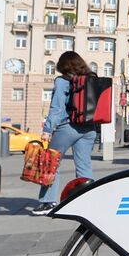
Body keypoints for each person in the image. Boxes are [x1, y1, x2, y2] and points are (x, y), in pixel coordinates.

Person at [28, 51, 98, 215]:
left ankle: (48, 202)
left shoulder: (62, 81)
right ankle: (86, 201)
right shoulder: (91, 79)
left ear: (63, 65)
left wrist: (47, 130)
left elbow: (57, 108)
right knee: (84, 165)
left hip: (68, 127)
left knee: (51, 163)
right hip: (89, 128)